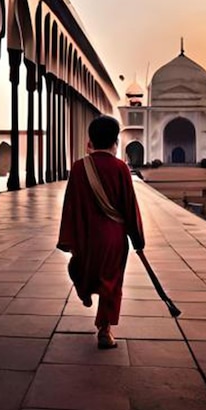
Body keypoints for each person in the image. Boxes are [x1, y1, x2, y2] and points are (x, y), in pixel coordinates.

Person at [57, 114, 145, 349]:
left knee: (82, 269)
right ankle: (104, 330)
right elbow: (129, 206)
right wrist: (137, 238)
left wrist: (69, 238)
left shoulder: (78, 168)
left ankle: (84, 290)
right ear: (116, 142)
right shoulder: (120, 168)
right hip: (113, 237)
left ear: (90, 141)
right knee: (111, 283)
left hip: (85, 235)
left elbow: (70, 206)